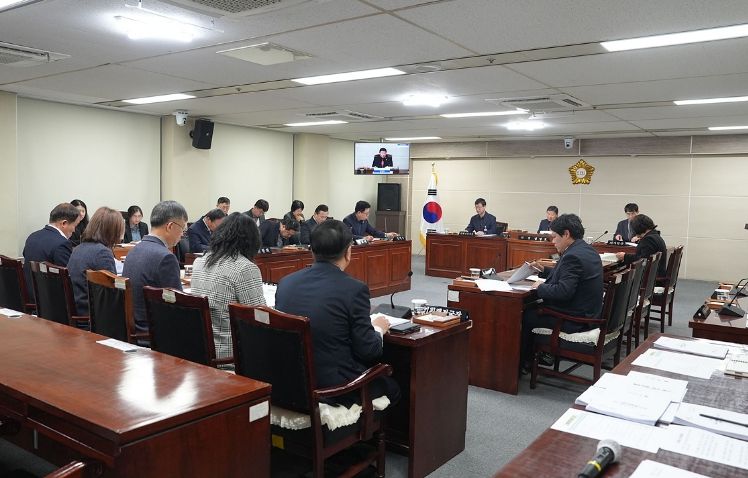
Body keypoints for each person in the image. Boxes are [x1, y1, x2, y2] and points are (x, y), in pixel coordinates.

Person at [275, 220, 400, 406]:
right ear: (348, 252)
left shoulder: (286, 283)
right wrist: (378, 329)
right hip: (335, 388)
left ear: (312, 251)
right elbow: (369, 351)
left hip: (291, 382)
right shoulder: (354, 289)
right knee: (394, 387)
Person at [521, 214, 604, 370]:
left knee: (523, 315)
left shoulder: (572, 255)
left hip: (574, 319)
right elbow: (568, 276)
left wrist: (540, 287)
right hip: (589, 313)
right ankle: (537, 356)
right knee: (532, 308)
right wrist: (544, 270)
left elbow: (563, 291)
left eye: (555, 237)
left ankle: (524, 362)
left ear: (566, 234)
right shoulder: (587, 250)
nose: (553, 241)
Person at [191, 213, 265, 366]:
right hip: (231, 356)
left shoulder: (199, 262)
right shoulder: (245, 268)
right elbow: (259, 318)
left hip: (202, 351)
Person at [122, 200, 187, 332]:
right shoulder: (166, 257)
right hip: (153, 332)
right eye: (182, 229)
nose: (182, 234)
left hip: (132, 327)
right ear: (170, 226)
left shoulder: (134, 250)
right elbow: (178, 307)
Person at [67, 207, 124, 316]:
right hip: (92, 313)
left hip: (77, 307)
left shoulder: (79, 248)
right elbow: (112, 293)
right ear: (113, 231)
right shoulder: (102, 252)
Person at [22, 203, 81, 302]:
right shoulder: (61, 243)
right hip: (50, 302)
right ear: (64, 223)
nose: (74, 230)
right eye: (74, 225)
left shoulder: (32, 236)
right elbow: (68, 278)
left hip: (28, 298)